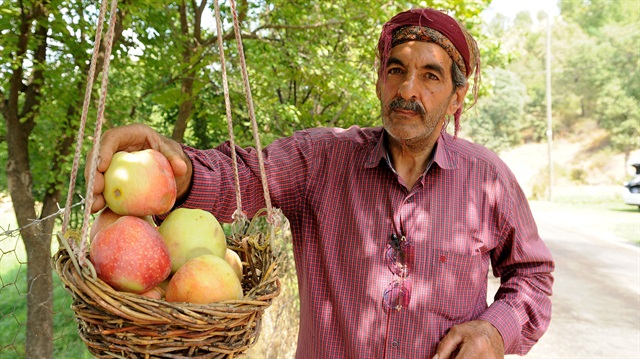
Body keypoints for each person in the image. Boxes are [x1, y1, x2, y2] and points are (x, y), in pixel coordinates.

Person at [87, 8, 554, 359]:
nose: (408, 90)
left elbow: (532, 276)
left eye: (430, 76)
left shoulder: (487, 178)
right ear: (378, 81)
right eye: (396, 70)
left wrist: (496, 329)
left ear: (457, 96)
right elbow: (244, 177)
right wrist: (176, 168)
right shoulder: (322, 159)